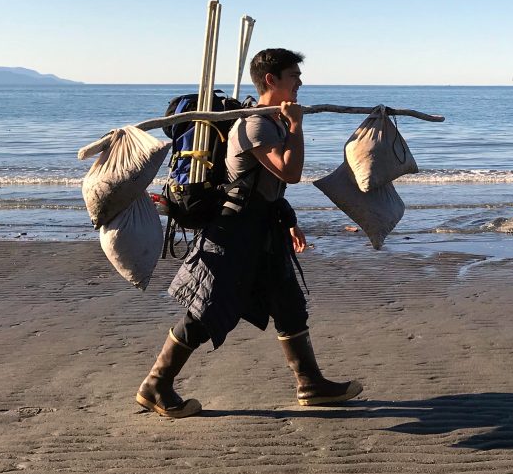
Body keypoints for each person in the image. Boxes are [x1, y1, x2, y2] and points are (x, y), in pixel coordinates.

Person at [135, 47, 362, 418]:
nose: (300, 83)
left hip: (262, 228)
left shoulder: (271, 119)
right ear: (271, 80)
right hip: (235, 231)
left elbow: (270, 189)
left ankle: (310, 384)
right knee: (206, 309)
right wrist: (297, 126)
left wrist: (288, 220)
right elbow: (288, 173)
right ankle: (156, 384)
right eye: (294, 77)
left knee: (289, 303)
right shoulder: (256, 123)